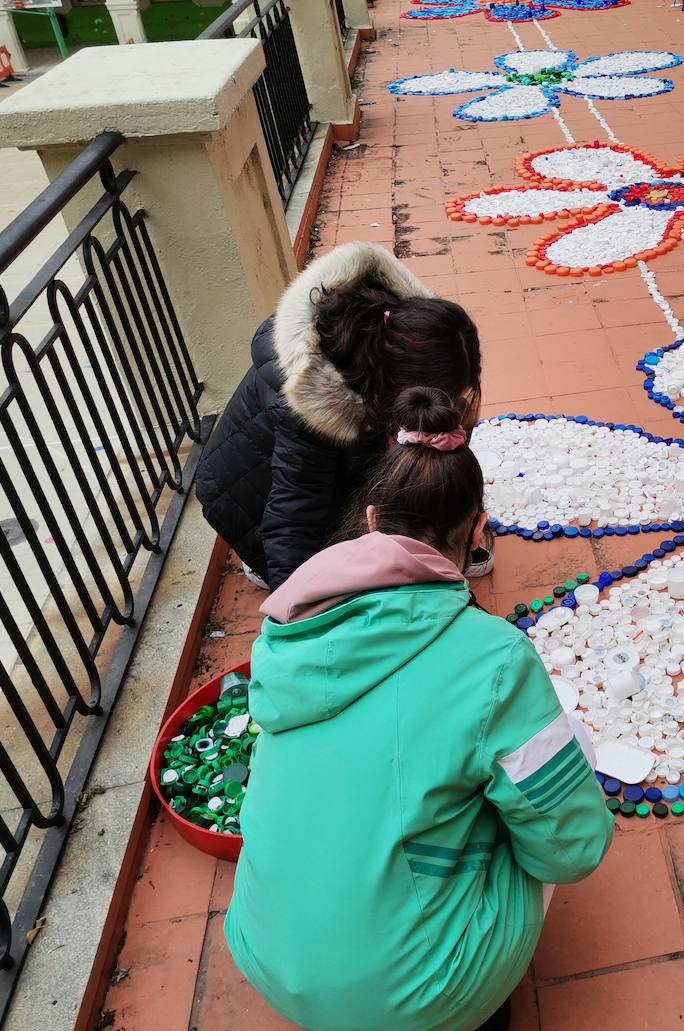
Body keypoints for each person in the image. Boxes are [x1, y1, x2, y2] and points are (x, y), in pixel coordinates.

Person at [225, 386, 613, 1031]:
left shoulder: (287, 635)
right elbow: (572, 851)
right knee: (564, 746)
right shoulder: (492, 657)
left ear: (372, 519)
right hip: (410, 999)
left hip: (266, 957)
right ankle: (469, 998)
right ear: (479, 531)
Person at [195, 241, 483, 590]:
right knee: (347, 578)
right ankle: (258, 564)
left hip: (321, 476)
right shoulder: (312, 412)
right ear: (397, 385)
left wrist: (449, 527)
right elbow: (293, 523)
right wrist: (298, 604)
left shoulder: (392, 331)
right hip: (249, 502)